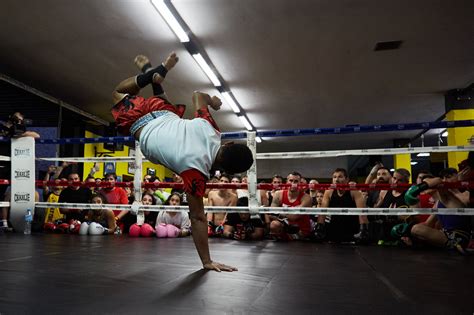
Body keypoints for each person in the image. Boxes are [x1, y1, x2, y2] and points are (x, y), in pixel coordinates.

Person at [110, 52, 253, 272]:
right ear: (225, 170)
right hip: (141, 124)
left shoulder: (212, 129)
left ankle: (152, 76)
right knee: (117, 94)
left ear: (229, 143)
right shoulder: (195, 174)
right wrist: (207, 261)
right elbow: (197, 217)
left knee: (158, 107)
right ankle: (153, 76)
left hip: (162, 111)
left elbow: (198, 95)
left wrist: (213, 102)